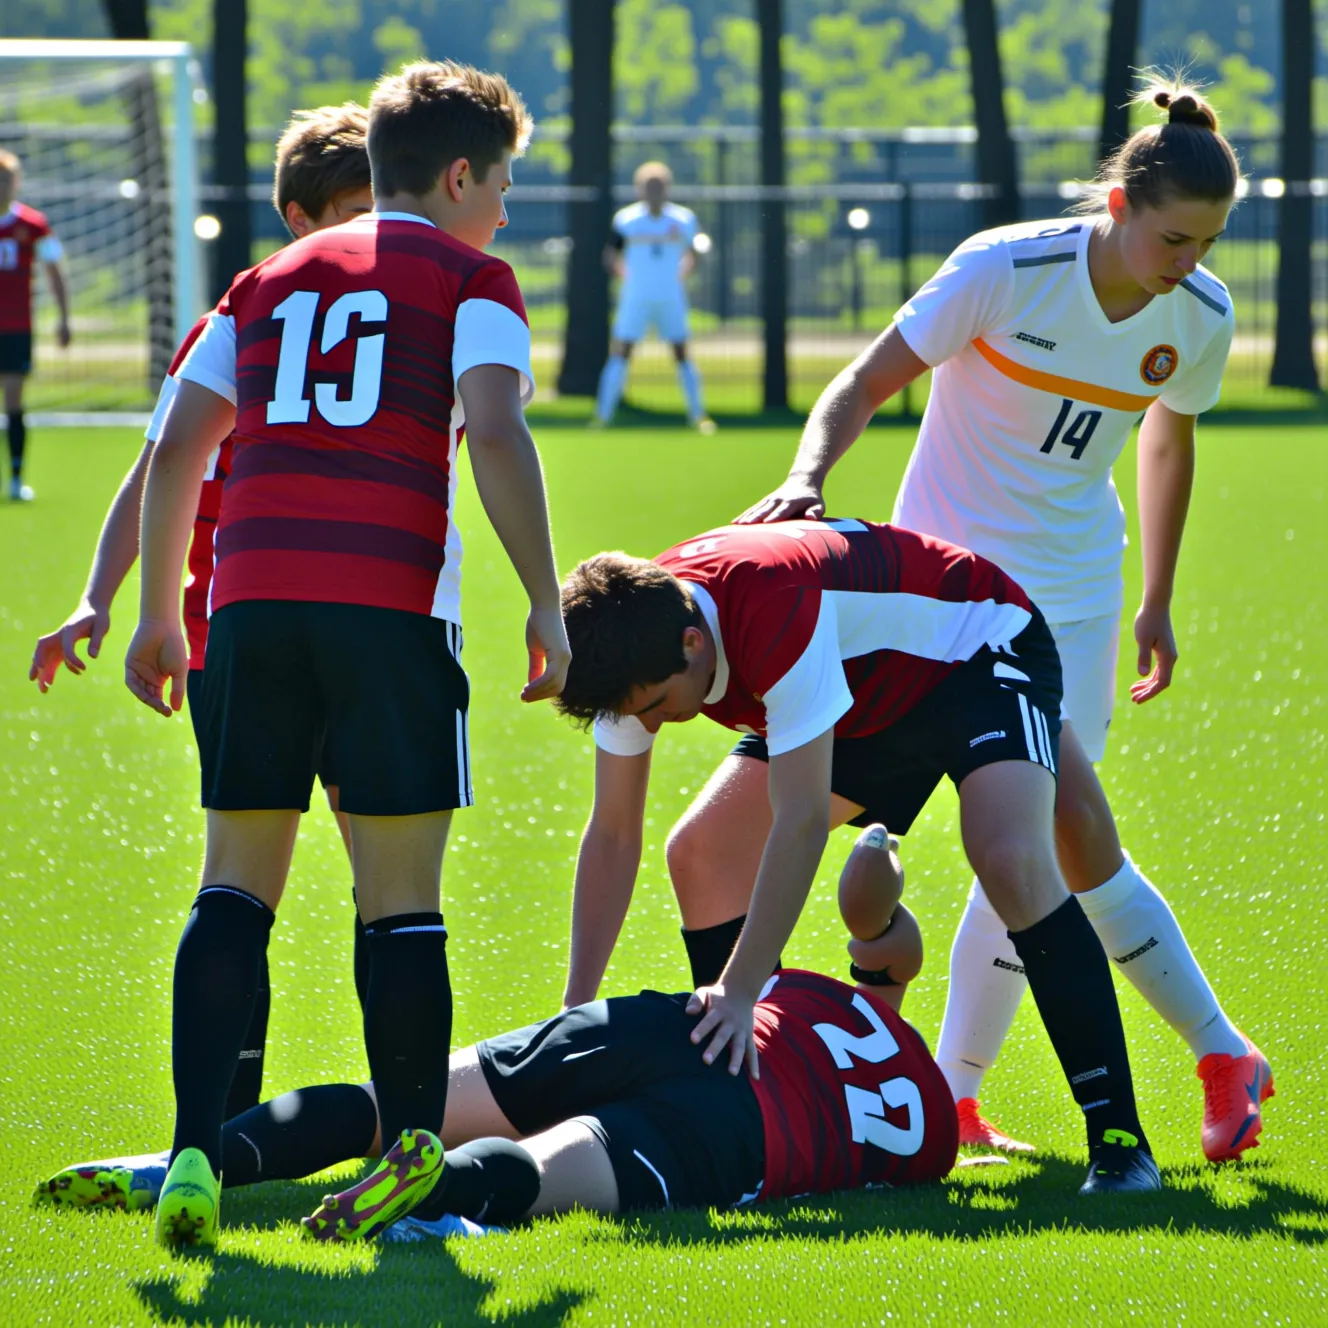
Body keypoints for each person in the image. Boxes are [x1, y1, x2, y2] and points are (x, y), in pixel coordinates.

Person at [732, 76, 1270, 1164]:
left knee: (1043, 848)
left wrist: (1155, 596)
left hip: (1066, 603)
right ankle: (1206, 1051)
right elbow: (864, 378)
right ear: (1116, 207)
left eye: (1208, 242)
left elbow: (1169, 438)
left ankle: (964, 1092)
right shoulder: (1004, 266)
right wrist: (805, 477)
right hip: (927, 601)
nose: (1191, 263)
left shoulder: (1197, 315)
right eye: (1174, 237)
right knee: (998, 842)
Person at [119, 60, 571, 1249]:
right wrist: (543, 596)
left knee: (232, 886)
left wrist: (166, 609)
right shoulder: (474, 276)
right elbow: (497, 427)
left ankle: (194, 1152)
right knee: (400, 903)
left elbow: (177, 449)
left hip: (251, 607)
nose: (507, 209)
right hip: (386, 609)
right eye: (505, 182)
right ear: (461, 174)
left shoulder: (264, 278)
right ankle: (411, 1176)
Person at [554, 517, 1160, 1195]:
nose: (649, 726)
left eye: (659, 706)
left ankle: (1120, 1143)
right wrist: (572, 1020)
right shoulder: (624, 638)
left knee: (1011, 857)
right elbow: (612, 835)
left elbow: (803, 819)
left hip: (977, 653)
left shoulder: (766, 604)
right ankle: (770, 1117)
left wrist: (739, 990)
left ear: (694, 642)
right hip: (859, 691)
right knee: (702, 852)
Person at [37, 836, 956, 1235]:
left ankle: (181, 1160)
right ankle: (431, 1219)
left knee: (394, 1107)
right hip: (744, 1128)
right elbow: (888, 949)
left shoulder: (846, 1001)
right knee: (556, 1171)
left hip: (677, 1024)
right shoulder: (928, 1140)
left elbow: (882, 929)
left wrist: (879, 845)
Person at [28, 103, 375, 1122]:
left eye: (381, 209)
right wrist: (106, 598)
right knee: (243, 887)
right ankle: (221, 1117)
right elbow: (156, 468)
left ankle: (400, 1117)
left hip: (367, 632)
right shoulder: (243, 315)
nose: (370, 232)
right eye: (352, 211)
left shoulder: (417, 309)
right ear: (298, 214)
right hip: (241, 635)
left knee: (383, 890)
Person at [592, 161, 714, 432]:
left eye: (659, 186)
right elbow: (611, 254)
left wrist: (688, 266)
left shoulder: (682, 219)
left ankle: (698, 415)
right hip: (635, 297)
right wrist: (622, 273)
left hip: (671, 297)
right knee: (621, 352)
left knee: (682, 353)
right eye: (649, 187)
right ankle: (602, 416)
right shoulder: (627, 220)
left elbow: (695, 250)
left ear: (667, 188)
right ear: (640, 190)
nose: (654, 192)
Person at [0, 148, 71, 502]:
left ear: (16, 183)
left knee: (14, 400)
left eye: (5, 180)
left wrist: (64, 317)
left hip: (15, 328)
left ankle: (15, 478)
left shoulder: (33, 225)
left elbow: (54, 269)